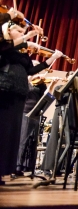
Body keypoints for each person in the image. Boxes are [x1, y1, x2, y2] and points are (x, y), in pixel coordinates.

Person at [0, 20, 62, 184]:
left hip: (19, 92)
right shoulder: (5, 46)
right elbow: (5, 49)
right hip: (5, 88)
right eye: (19, 31)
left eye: (22, 32)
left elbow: (31, 70)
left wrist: (53, 58)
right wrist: (28, 36)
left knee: (11, 134)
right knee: (3, 130)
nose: (22, 34)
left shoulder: (22, 51)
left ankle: (3, 170)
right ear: (8, 32)